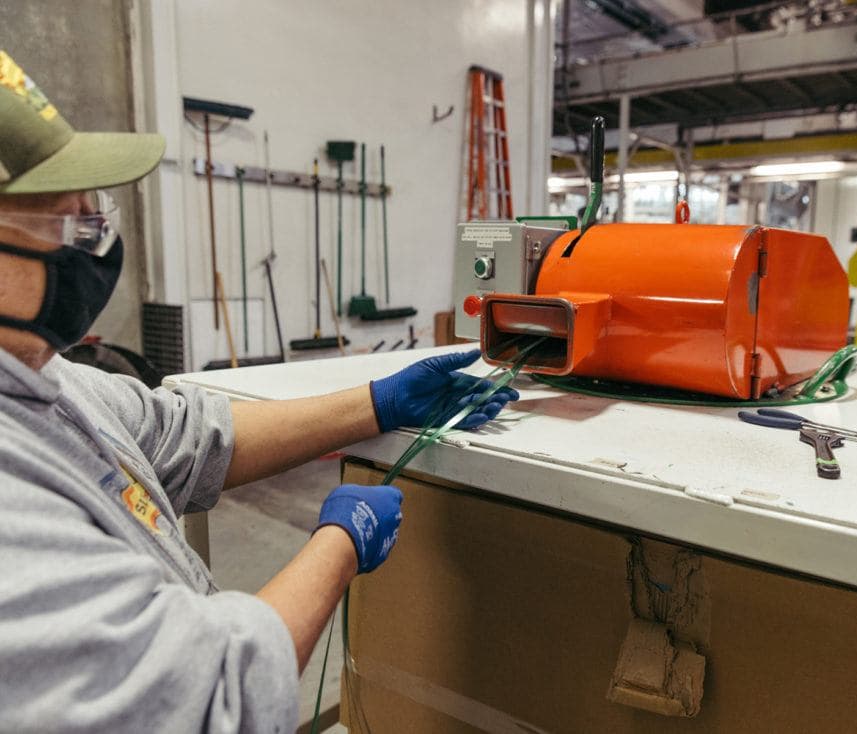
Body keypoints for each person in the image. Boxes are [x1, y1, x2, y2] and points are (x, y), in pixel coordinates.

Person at [0, 51, 519, 732]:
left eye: (95, 219)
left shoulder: (41, 375)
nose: (92, 252)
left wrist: (378, 402)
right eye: (65, 229)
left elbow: (184, 438)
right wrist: (340, 542)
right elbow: (209, 698)